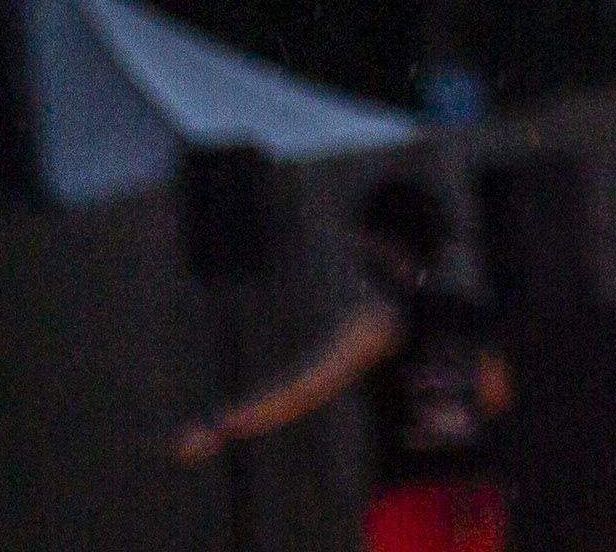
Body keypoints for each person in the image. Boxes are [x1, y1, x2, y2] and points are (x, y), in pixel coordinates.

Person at [172, 173, 518, 552]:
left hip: (412, 498)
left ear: (385, 243)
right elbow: (496, 397)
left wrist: (219, 425)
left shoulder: (384, 319)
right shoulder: (470, 316)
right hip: (475, 495)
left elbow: (304, 390)